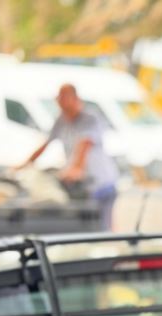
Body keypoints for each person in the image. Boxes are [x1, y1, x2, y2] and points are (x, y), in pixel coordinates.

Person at [20, 84, 119, 231]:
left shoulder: (90, 119)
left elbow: (84, 144)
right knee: (84, 227)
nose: (60, 102)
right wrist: (26, 164)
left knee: (101, 227)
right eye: (59, 98)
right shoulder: (61, 120)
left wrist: (75, 168)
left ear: (75, 98)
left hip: (100, 183)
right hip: (83, 185)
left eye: (64, 98)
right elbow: (46, 143)